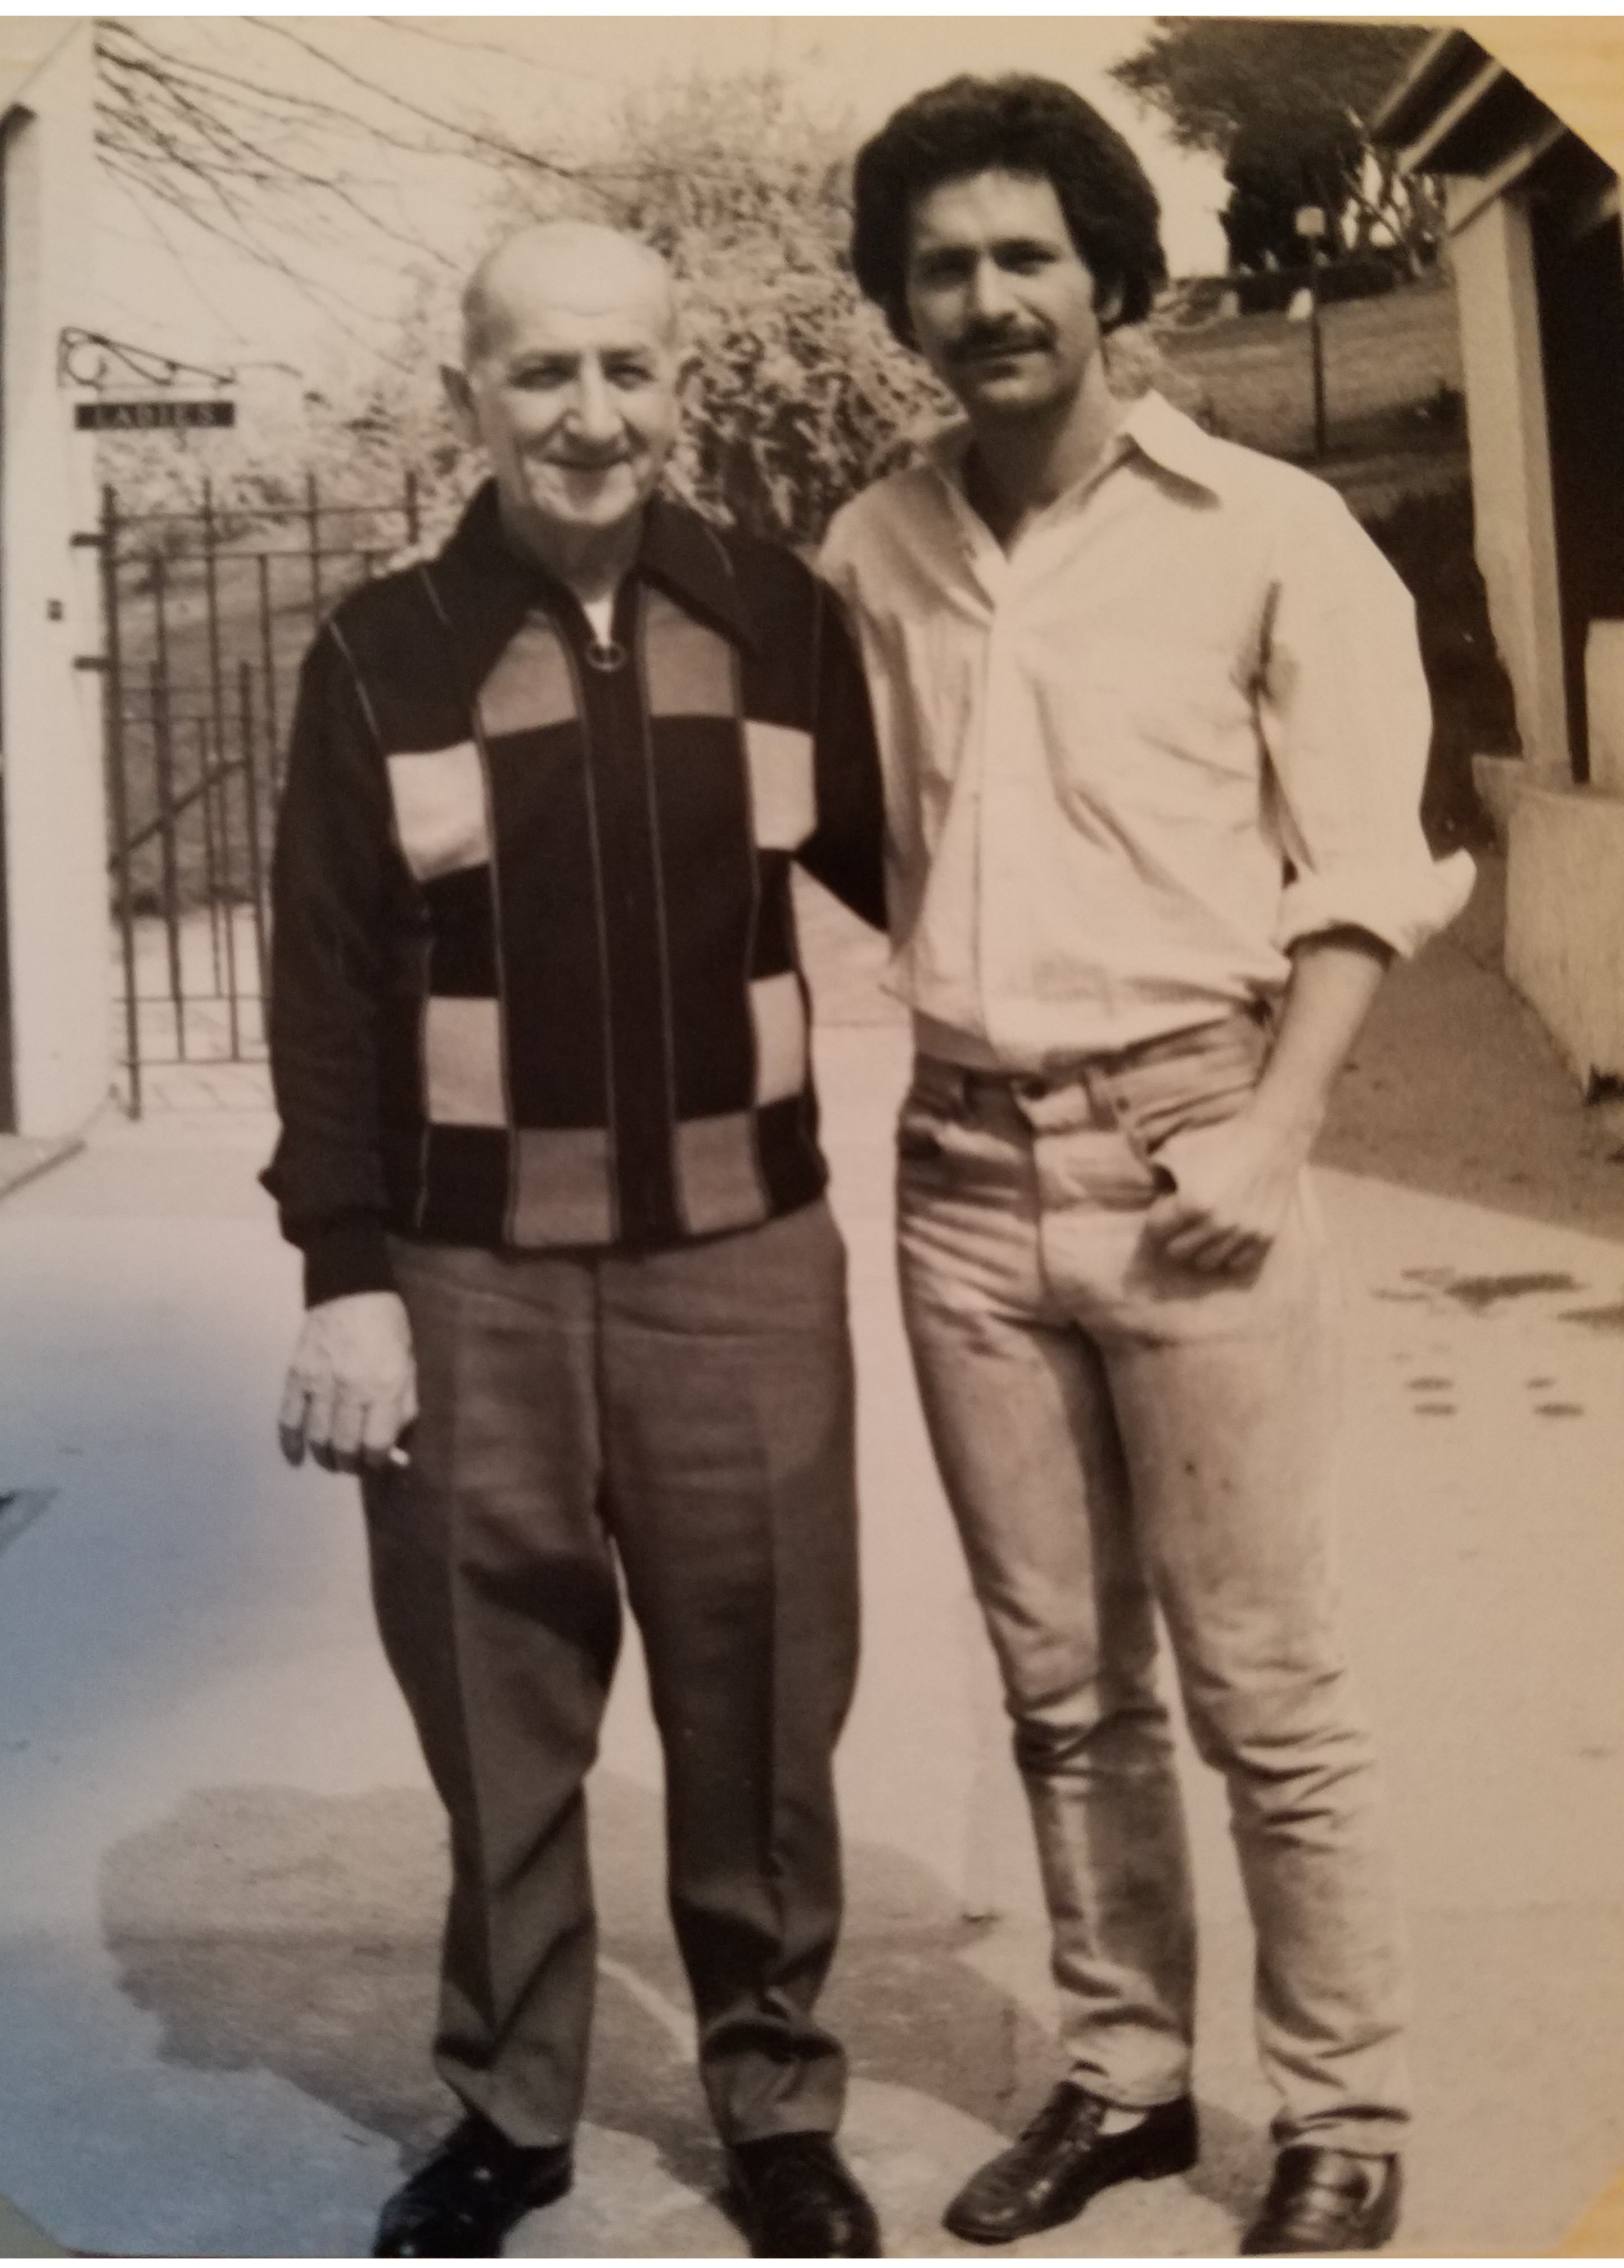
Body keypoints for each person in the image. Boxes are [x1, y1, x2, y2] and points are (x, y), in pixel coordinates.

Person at [820, 75, 1473, 2259]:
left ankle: (1344, 2113)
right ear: (900, 303)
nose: (989, 297)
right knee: (1063, 1687)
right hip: (963, 1181)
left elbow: (1369, 867)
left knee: (1265, 1690)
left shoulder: (1273, 533)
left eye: (1026, 255)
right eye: (944, 265)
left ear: (1110, 272)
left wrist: (1279, 1130)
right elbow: (831, 822)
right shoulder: (873, 542)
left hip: (1200, 1154)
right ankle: (1120, 2073)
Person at [261, 220, 886, 2262]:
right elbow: (328, 981)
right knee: (497, 1703)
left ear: (681, 390)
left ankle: (776, 2105)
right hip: (467, 1276)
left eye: (630, 371)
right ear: (473, 395)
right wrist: (343, 1272)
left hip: (742, 1255)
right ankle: (513, 2113)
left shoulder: (786, 620)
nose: (592, 417)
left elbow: (940, 880)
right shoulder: (379, 648)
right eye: (544, 374)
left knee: (765, 1701)